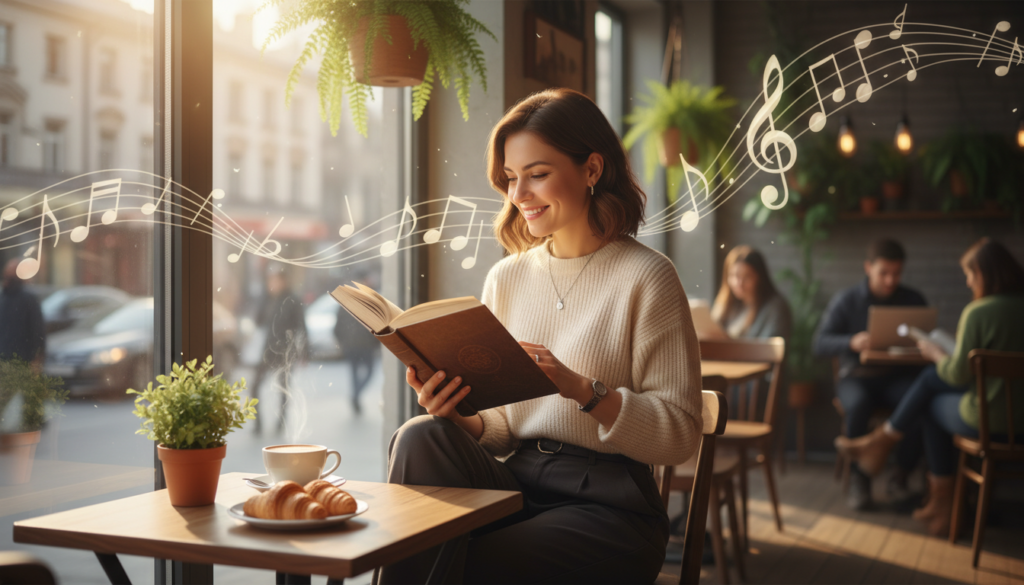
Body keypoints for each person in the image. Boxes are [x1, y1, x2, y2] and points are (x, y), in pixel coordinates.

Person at [378, 88, 703, 585]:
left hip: (610, 507)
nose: (518, 195)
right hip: (520, 481)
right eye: (511, 178)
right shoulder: (506, 278)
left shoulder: (648, 277)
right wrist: (456, 411)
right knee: (420, 435)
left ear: (592, 170)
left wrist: (582, 389)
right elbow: (503, 429)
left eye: (537, 174)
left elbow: (680, 434)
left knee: (465, 559)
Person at [836, 238, 1024, 536]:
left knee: (929, 401)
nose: (967, 281)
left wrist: (937, 355)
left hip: (989, 422)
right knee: (925, 385)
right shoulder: (847, 299)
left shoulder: (979, 312)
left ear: (986, 274)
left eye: (970, 274)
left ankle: (943, 504)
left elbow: (959, 375)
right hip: (1019, 424)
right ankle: (889, 453)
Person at [814, 238, 926, 510]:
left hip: (897, 377)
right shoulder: (847, 300)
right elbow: (818, 343)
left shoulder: (913, 300)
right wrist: (851, 342)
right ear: (868, 267)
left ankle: (900, 478)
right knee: (859, 404)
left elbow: (926, 341)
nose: (890, 280)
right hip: (856, 377)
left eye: (896, 273)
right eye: (883, 273)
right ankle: (859, 481)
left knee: (918, 403)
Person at [250, 266, 308, 433]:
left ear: (284, 281)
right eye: (270, 281)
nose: (272, 284)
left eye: (275, 280)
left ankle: (281, 422)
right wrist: (264, 298)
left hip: (285, 351)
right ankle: (257, 423)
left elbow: (302, 327)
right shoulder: (268, 299)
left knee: (283, 388)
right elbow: (259, 321)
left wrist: (303, 351)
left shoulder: (292, 300)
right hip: (267, 350)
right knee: (254, 386)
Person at [712, 245, 791, 341]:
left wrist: (730, 344)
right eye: (734, 276)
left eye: (746, 277)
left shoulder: (775, 308)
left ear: (759, 278)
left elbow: (770, 350)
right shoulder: (729, 305)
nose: (739, 283)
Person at [0, 258, 46, 369]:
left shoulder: (27, 299)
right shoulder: (5, 298)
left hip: (21, 360)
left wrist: (37, 357)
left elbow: (37, 330)